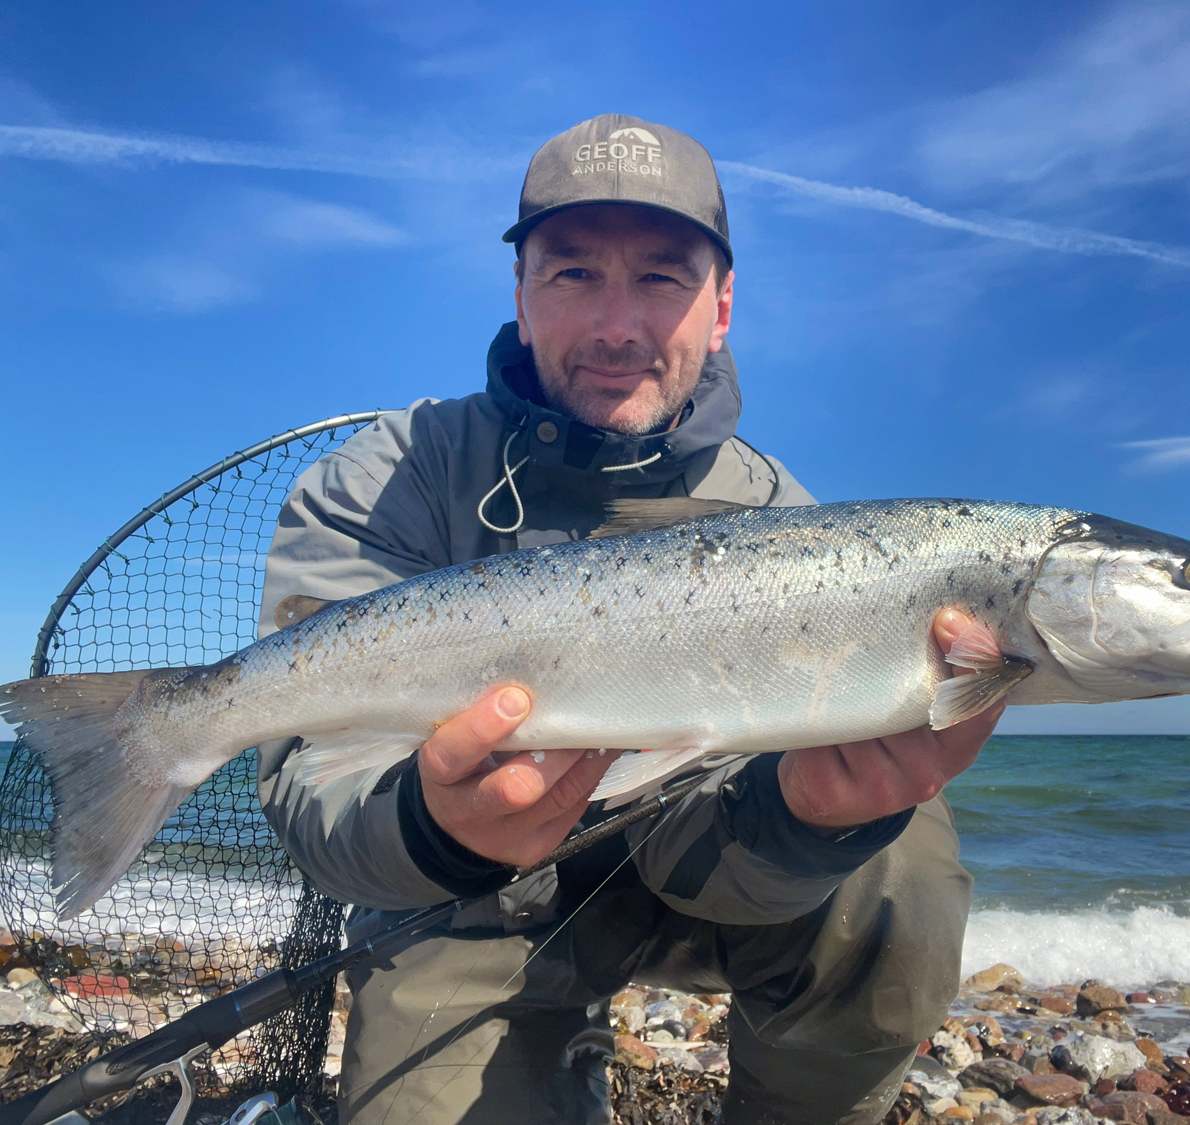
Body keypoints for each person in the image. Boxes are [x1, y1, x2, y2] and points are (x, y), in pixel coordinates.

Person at [256, 114, 1002, 1125]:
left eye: (661, 278)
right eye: (572, 275)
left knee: (899, 860)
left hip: (704, 875)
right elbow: (314, 790)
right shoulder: (389, 480)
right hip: (470, 908)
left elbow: (733, 836)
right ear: (520, 297)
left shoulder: (792, 523)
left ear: (723, 306)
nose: (617, 327)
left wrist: (811, 818)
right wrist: (435, 827)